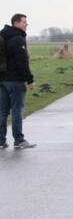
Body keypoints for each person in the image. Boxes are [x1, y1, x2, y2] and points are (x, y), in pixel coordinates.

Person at [0, 14, 37, 149]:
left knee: (3, 111)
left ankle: (1, 140)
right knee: (17, 110)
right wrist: (30, 79)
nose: (26, 24)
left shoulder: (3, 36)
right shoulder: (17, 39)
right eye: (24, 22)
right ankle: (19, 140)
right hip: (15, 80)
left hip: (2, 79)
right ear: (16, 23)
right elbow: (22, 62)